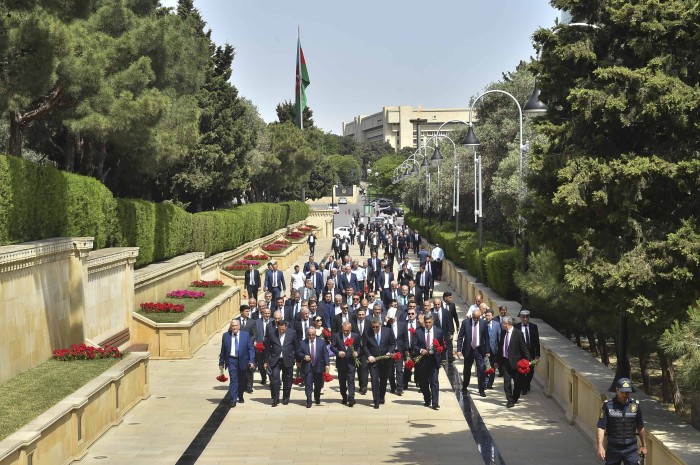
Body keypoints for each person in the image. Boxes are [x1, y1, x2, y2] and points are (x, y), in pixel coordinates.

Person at [596, 378, 647, 465]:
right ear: (617, 389)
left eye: (627, 392)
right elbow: (601, 427)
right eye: (623, 392)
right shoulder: (608, 406)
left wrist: (644, 446)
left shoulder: (635, 406)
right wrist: (600, 446)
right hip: (613, 448)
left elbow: (640, 427)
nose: (625, 394)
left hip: (631, 448)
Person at [495, 316, 530, 408]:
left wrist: (528, 361)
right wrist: (496, 361)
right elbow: (500, 348)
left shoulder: (518, 333)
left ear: (506, 324)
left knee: (517, 383)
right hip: (505, 362)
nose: (502, 325)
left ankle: (515, 398)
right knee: (506, 383)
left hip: (516, 363)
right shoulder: (503, 333)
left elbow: (524, 348)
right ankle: (510, 400)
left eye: (503, 323)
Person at [218, 319, 255, 407]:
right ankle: (233, 399)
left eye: (236, 326)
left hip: (243, 360)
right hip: (231, 360)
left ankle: (240, 395)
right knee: (233, 380)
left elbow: (251, 348)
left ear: (239, 326)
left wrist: (251, 360)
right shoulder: (226, 336)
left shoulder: (245, 335)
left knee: (242, 380)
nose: (234, 327)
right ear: (231, 327)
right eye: (233, 326)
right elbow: (223, 350)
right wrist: (221, 362)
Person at [363, 317, 396, 409]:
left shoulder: (387, 331)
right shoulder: (367, 332)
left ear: (380, 325)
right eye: (373, 327)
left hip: (385, 360)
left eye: (377, 327)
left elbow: (393, 343)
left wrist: (389, 352)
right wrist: (369, 355)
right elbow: (365, 346)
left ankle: (382, 396)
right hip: (373, 361)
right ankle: (376, 400)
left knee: (383, 380)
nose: (375, 329)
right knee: (374, 380)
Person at [414, 313, 445, 409]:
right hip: (422, 361)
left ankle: (435, 402)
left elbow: (442, 346)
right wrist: (420, 350)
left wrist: (442, 357)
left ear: (433, 322)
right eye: (426, 322)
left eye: (429, 322)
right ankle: (427, 399)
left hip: (434, 360)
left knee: (434, 381)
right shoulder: (418, 331)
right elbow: (414, 345)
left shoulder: (438, 332)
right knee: (423, 382)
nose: (427, 324)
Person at [265, 320, 300, 407]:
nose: (281, 331)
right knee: (274, 380)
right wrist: (266, 361)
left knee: (287, 380)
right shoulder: (272, 333)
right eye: (280, 329)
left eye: (283, 329)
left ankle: (286, 397)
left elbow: (297, 347)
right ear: (277, 327)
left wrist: (298, 360)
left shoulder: (292, 333)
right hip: (275, 360)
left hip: (288, 359)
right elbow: (267, 348)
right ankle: (275, 398)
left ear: (286, 327)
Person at [456, 308, 489, 397]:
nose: (476, 320)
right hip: (468, 350)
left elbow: (486, 338)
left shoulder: (483, 323)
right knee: (467, 370)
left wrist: (488, 350)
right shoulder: (465, 323)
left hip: (479, 350)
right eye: (475, 318)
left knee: (481, 369)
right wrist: (459, 350)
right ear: (472, 316)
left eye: (478, 318)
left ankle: (481, 389)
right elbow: (460, 337)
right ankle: (465, 387)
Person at [297, 327, 330, 408]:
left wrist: (327, 364)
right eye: (309, 334)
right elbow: (298, 353)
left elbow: (325, 353)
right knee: (308, 384)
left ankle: (317, 396)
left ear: (316, 334)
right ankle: (309, 400)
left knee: (318, 385)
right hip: (308, 367)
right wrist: (304, 356)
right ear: (307, 334)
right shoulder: (302, 343)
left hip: (319, 366)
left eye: (313, 335)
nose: (311, 336)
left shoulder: (321, 342)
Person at [330, 321, 361, 406]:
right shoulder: (337, 336)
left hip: (351, 362)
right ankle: (344, 396)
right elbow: (332, 346)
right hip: (341, 362)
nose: (346, 332)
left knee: (351, 380)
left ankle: (351, 398)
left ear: (350, 329)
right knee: (342, 382)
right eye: (344, 330)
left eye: (348, 330)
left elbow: (358, 346)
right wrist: (338, 352)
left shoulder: (355, 336)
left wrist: (357, 353)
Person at [514, 309, 540, 395]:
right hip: (520, 353)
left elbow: (536, 341)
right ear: (520, 318)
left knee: (530, 371)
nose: (525, 319)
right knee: (521, 370)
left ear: (529, 317)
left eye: (527, 317)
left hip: (531, 352)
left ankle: (527, 383)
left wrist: (537, 354)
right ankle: (524, 388)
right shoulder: (516, 327)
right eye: (523, 317)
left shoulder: (534, 327)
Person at [254, 308, 273, 385]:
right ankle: (263, 378)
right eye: (265, 313)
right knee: (261, 363)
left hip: (270, 346)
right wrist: (255, 341)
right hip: (260, 346)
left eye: (268, 313)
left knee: (269, 363)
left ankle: (271, 379)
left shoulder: (273, 321)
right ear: (262, 314)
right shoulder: (256, 322)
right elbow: (254, 333)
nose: (267, 315)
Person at [483, 308, 500, 390]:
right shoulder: (482, 324)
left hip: (494, 350)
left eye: (489, 316)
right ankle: (485, 383)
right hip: (484, 350)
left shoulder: (497, 325)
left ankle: (490, 384)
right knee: (485, 366)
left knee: (492, 367)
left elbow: (499, 337)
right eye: (486, 316)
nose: (487, 317)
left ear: (492, 316)